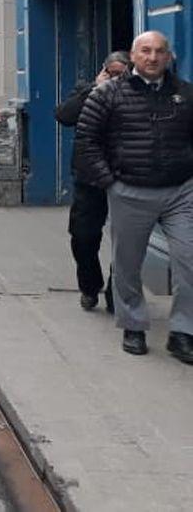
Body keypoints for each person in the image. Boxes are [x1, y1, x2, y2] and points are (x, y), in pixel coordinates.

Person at [75, 31, 193, 362]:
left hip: (180, 191)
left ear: (169, 56)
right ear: (133, 55)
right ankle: (134, 325)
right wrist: (110, 181)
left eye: (159, 51)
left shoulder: (185, 94)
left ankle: (183, 332)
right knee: (128, 264)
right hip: (130, 190)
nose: (153, 58)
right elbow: (86, 140)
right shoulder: (108, 94)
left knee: (189, 261)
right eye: (145, 51)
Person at [55, 52, 129, 312]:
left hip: (126, 178)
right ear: (102, 71)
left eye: (122, 73)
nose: (116, 79)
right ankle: (89, 285)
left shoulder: (137, 95)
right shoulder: (87, 91)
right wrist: (95, 89)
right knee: (83, 237)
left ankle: (115, 292)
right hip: (89, 178)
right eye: (112, 73)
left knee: (127, 241)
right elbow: (64, 115)